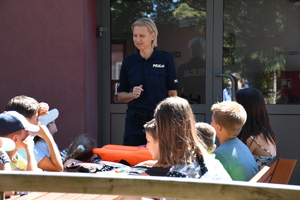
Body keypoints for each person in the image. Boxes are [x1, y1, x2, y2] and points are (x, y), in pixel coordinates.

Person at [117, 17, 179, 146]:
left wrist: (173, 118)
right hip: (134, 122)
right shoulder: (129, 62)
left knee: (160, 161)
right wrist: (131, 95)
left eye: (141, 36)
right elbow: (120, 96)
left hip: (159, 120)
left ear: (153, 36)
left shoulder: (165, 59)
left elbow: (173, 93)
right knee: (130, 161)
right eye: (135, 35)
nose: (137, 39)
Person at [5, 95, 63, 172]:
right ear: (23, 121)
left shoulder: (16, 156)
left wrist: (34, 109)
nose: (39, 124)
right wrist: (47, 137)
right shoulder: (13, 150)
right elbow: (57, 168)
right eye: (37, 119)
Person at [211, 101, 259, 181]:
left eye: (212, 121)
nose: (210, 124)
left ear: (218, 127)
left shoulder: (219, 155)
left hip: (239, 192)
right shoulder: (241, 146)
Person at [235, 88, 277, 168]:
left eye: (235, 106)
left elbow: (232, 161)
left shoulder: (252, 138)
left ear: (245, 109)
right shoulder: (263, 133)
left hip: (251, 180)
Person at [177, 37, 206, 104]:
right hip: (207, 101)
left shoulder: (183, 68)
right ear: (204, 50)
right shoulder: (209, 68)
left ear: (190, 50)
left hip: (189, 103)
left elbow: (178, 89)